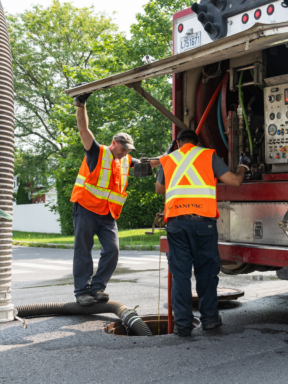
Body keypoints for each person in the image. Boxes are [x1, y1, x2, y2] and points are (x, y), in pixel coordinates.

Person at [156, 129, 250, 336]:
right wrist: (243, 166)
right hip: (203, 224)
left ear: (178, 143)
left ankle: (182, 325)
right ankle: (209, 320)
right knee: (206, 273)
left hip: (176, 224)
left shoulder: (168, 159)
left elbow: (159, 189)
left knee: (180, 275)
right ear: (196, 143)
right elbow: (235, 181)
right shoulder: (207, 155)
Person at [70, 90, 159, 306]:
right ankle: (82, 292)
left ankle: (97, 288)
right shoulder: (97, 152)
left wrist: (169, 157)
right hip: (86, 208)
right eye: (123, 148)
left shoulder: (125, 161)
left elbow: (146, 165)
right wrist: (81, 104)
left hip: (108, 214)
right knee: (83, 250)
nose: (125, 152)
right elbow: (84, 129)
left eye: (128, 150)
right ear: (114, 142)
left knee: (112, 249)